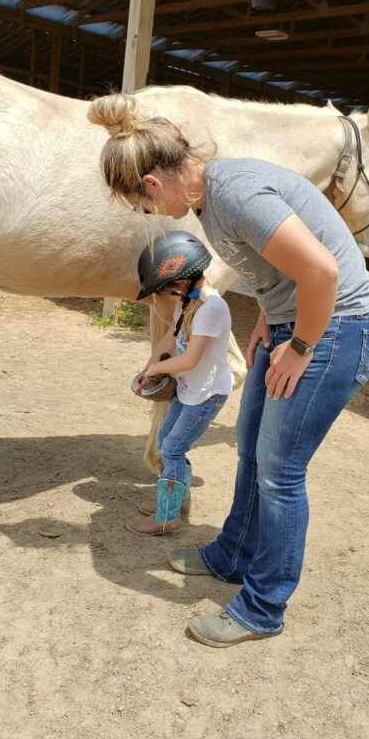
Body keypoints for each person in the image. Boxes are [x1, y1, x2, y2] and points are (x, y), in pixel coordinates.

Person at [88, 94, 369, 648]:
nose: (150, 217)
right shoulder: (210, 199)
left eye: (141, 206)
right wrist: (271, 323)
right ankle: (232, 554)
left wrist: (298, 344)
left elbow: (322, 272)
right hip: (294, 325)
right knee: (249, 449)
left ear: (152, 184)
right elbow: (286, 273)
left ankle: (263, 605)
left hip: (337, 329)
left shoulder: (238, 191)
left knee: (280, 470)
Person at [126, 230, 233, 537]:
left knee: (172, 449)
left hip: (207, 394)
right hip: (189, 390)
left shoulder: (211, 308)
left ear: (182, 280)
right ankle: (178, 500)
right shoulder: (187, 304)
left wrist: (160, 367)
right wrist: (147, 370)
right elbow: (172, 338)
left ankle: (167, 516)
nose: (168, 293)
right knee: (165, 442)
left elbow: (190, 360)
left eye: (168, 287)